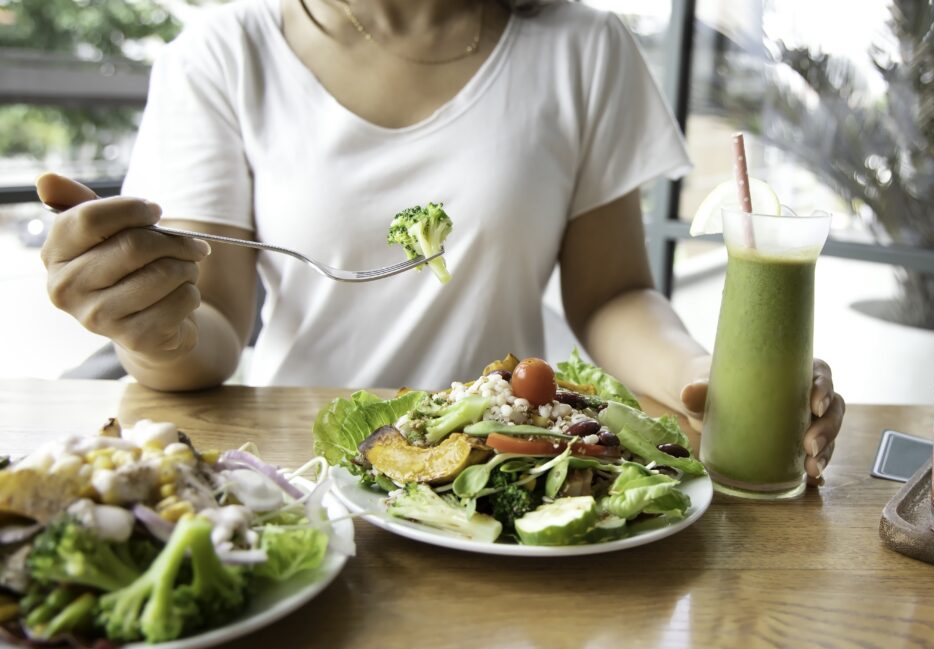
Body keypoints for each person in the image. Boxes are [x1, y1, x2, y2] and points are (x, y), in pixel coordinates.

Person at [36, 0, 845, 483]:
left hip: (507, 471)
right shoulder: (224, 52)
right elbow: (207, 327)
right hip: (299, 473)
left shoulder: (584, 48)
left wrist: (706, 373)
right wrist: (150, 323)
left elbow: (610, 297)